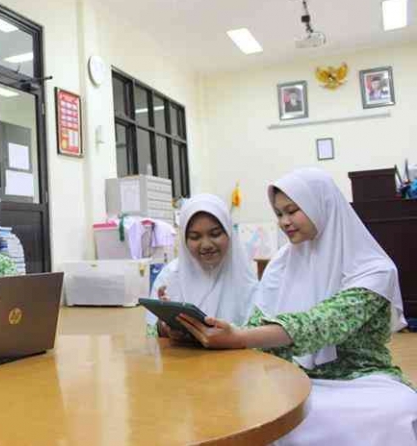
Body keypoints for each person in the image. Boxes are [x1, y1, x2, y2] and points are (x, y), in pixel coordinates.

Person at [177, 168, 417, 445]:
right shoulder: (282, 262)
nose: (285, 222)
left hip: (361, 379)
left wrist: (240, 337)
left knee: (398, 410)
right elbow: (259, 321)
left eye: (292, 210)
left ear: (321, 205)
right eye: (279, 214)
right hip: (291, 376)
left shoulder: (374, 269)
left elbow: (325, 323)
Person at [146, 194, 258, 337]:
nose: (206, 245)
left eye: (215, 234)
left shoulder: (244, 278)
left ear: (229, 233)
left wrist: (233, 337)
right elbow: (151, 335)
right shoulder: (170, 277)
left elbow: (259, 338)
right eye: (195, 237)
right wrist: (163, 327)